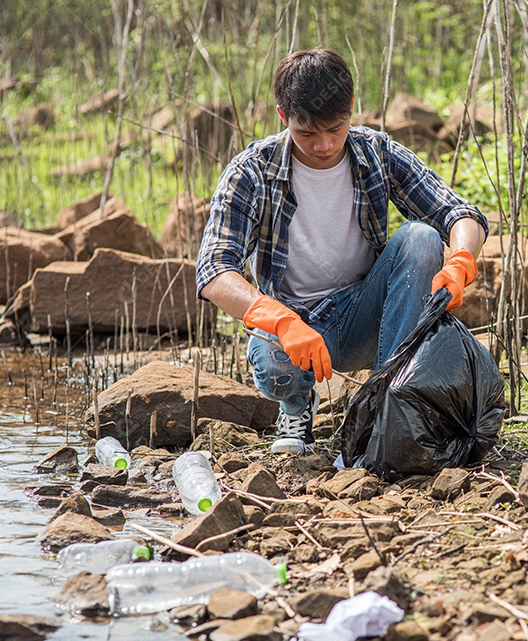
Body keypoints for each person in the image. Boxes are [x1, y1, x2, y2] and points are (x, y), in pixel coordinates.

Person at [196, 47, 488, 454]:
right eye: (307, 133)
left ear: (351, 107)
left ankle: (387, 397)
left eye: (335, 128)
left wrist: (460, 260)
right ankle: (297, 408)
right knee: (274, 363)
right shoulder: (252, 171)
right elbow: (213, 270)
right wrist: (280, 321)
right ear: (283, 116)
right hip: (296, 330)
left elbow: (458, 212)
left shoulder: (375, 152)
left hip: (369, 315)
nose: (324, 145)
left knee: (421, 237)